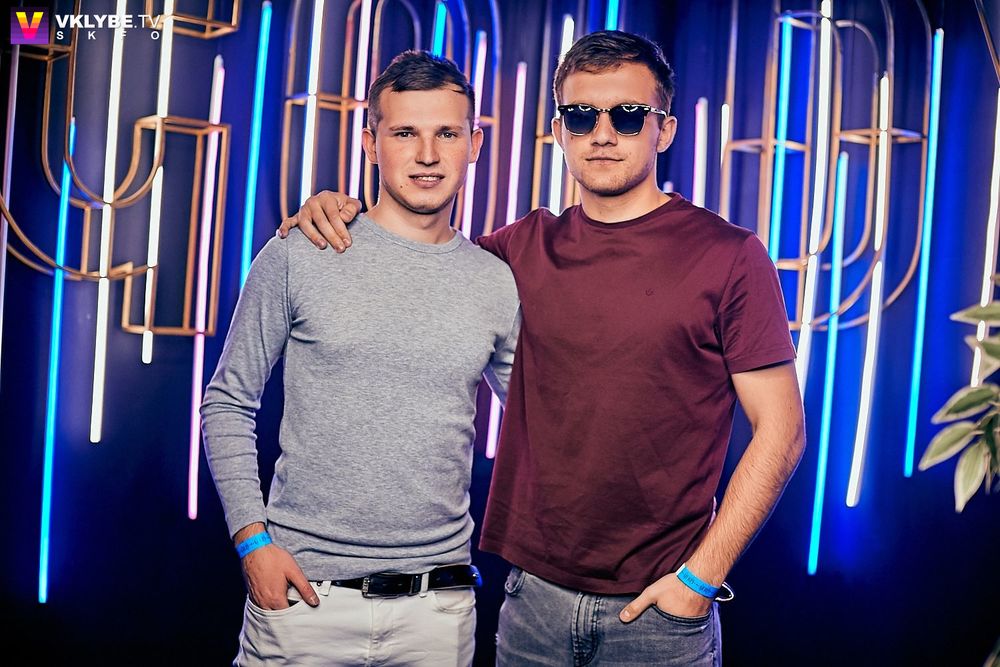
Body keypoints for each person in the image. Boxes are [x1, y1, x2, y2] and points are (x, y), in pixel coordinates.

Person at [282, 30, 805, 666]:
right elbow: (419, 253)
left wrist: (699, 580)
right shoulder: (519, 250)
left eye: (627, 115)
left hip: (661, 614)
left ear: (664, 130)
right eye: (581, 116)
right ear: (559, 131)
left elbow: (781, 431)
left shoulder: (729, 255)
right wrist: (338, 211)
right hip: (532, 604)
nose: (603, 134)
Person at [201, 50, 521, 666]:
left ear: (474, 144)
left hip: (438, 611)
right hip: (304, 598)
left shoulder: (495, 281)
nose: (427, 155)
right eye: (404, 133)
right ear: (370, 143)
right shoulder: (302, 251)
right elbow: (228, 401)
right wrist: (252, 543)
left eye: (446, 133)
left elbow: (547, 422)